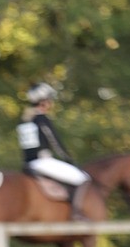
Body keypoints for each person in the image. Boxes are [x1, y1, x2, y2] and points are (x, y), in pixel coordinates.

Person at [17, 83, 90, 219]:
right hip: (43, 162)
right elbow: (55, 143)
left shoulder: (24, 120)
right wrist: (69, 160)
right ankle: (76, 213)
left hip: (27, 164)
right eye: (49, 100)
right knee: (83, 178)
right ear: (43, 102)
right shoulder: (41, 118)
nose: (51, 103)